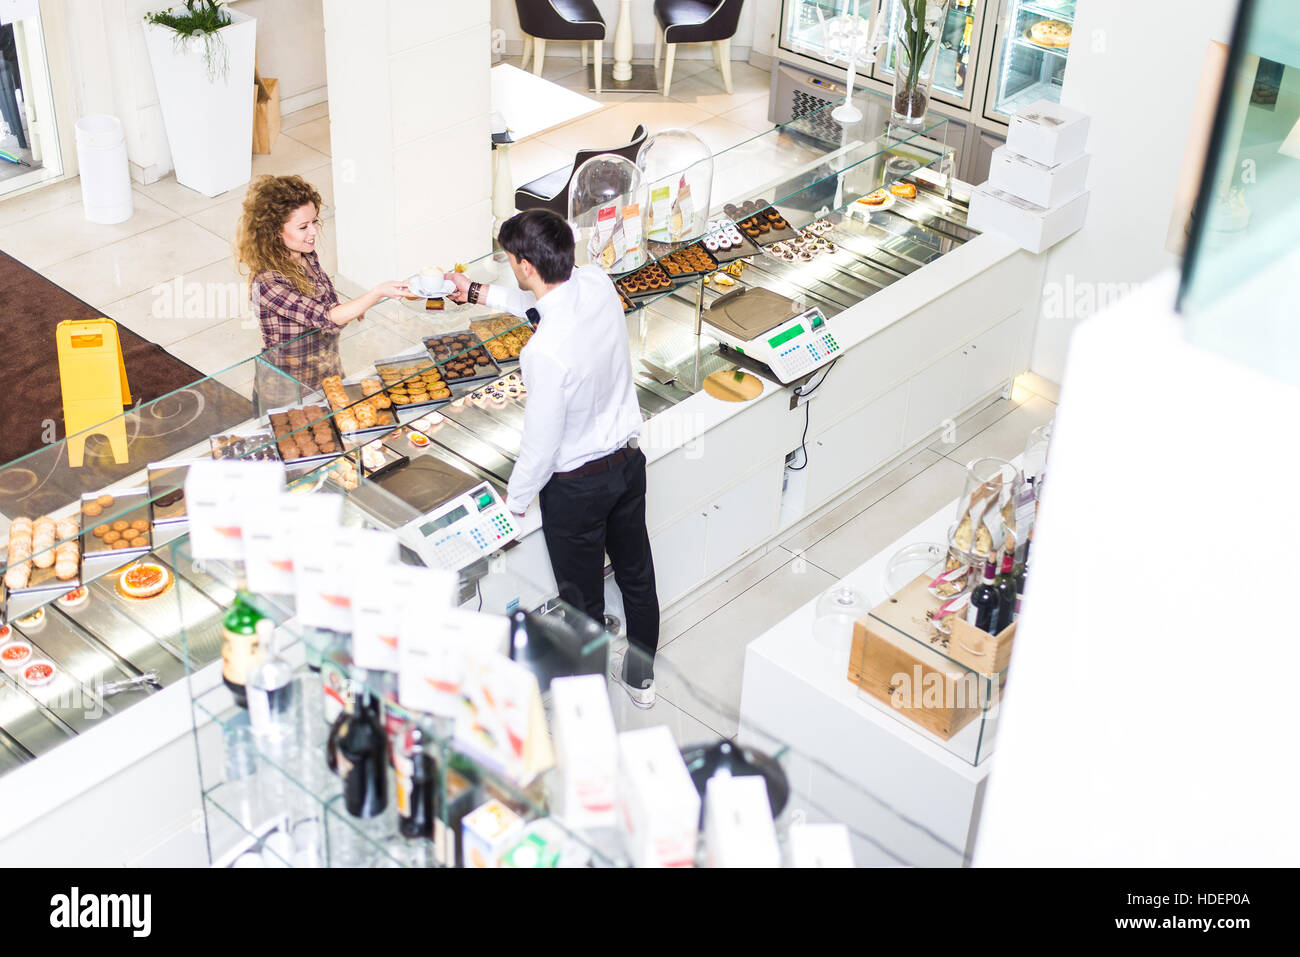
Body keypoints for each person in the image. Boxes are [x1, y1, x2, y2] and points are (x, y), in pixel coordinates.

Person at [445, 210, 660, 708]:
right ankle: (641, 679)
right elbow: (546, 301)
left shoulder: (543, 352)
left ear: (523, 265)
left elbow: (540, 447)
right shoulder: (598, 282)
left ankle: (589, 709)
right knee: (637, 574)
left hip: (577, 489)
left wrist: (514, 505)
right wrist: (477, 293)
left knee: (582, 605)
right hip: (629, 465)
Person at [236, 174, 408, 404]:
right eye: (303, 226)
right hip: (288, 392)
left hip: (327, 376)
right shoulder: (268, 284)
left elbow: (328, 306)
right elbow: (326, 317)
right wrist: (376, 293)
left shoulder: (306, 256)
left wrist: (354, 308)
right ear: (275, 230)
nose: (314, 231)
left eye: (315, 222)